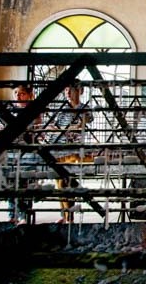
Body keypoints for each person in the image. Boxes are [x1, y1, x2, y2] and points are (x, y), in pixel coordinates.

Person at [52, 80, 93, 223]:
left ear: (80, 91)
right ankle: (65, 216)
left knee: (67, 182)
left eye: (71, 90)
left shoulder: (84, 108)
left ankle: (69, 216)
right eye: (66, 90)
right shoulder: (62, 109)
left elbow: (88, 119)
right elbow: (54, 125)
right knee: (59, 183)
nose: (68, 93)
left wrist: (77, 122)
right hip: (59, 149)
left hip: (74, 151)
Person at [8, 84, 42, 224]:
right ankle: (13, 214)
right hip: (14, 150)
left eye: (21, 93)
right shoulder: (11, 111)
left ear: (28, 95)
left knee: (26, 182)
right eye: (16, 93)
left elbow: (36, 128)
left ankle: (24, 215)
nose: (17, 96)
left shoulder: (34, 111)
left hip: (28, 151)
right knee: (12, 181)